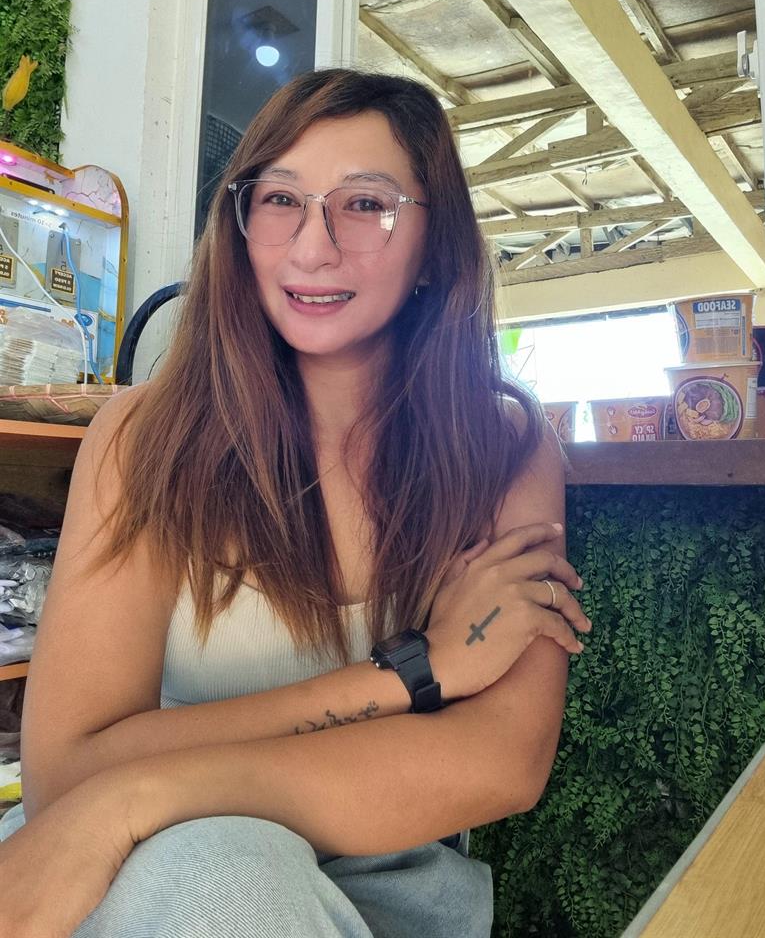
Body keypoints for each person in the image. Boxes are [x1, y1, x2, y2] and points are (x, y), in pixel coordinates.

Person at [0, 68, 591, 937]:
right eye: (280, 200)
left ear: (435, 244)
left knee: (229, 872)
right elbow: (64, 774)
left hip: (365, 887)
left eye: (365, 204)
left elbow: (502, 762)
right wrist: (413, 672)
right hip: (133, 873)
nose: (312, 249)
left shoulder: (501, 447)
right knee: (222, 874)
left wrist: (141, 790)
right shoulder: (147, 437)